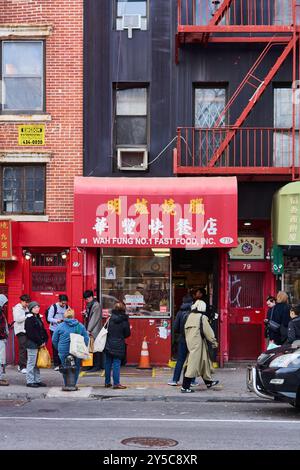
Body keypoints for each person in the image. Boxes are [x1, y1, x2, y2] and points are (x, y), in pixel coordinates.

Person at [181, 300, 219, 393]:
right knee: (193, 364)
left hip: (190, 342)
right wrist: (214, 342)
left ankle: (208, 382)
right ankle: (185, 387)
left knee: (203, 362)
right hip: (198, 343)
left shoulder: (188, 316)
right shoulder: (202, 317)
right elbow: (208, 332)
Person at [52, 308, 89, 390]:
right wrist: (83, 348)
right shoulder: (80, 326)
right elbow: (86, 339)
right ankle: (73, 384)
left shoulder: (60, 326)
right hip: (76, 350)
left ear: (65, 316)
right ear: (73, 316)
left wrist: (58, 348)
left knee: (65, 368)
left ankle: (67, 384)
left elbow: (54, 339)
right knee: (76, 368)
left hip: (63, 350)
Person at [168, 291, 198, 387]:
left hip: (182, 339)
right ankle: (192, 381)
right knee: (192, 360)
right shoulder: (194, 313)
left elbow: (175, 328)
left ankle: (174, 380)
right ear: (191, 303)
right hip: (193, 339)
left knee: (180, 360)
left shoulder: (180, 313)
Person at [104, 301, 130, 389]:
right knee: (116, 363)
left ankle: (107, 382)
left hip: (108, 343)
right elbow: (127, 334)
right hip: (119, 344)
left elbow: (105, 330)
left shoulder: (110, 318)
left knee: (108, 363)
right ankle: (116, 383)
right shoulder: (124, 320)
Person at [25, 301, 48, 388]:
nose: (37, 309)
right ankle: (30, 381)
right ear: (31, 309)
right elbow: (31, 334)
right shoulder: (29, 319)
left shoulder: (38, 318)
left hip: (39, 343)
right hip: (32, 344)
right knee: (31, 363)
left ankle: (37, 380)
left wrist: (45, 340)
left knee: (36, 363)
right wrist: (40, 342)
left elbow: (42, 330)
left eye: (38, 307)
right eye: (35, 308)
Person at [48, 294, 70, 370]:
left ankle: (62, 363)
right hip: (54, 329)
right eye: (62, 303)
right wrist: (57, 320)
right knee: (55, 346)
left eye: (65, 303)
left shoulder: (67, 307)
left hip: (63, 330)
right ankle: (56, 364)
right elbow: (49, 318)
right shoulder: (53, 307)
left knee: (63, 346)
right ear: (59, 301)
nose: (64, 305)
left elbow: (70, 316)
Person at [83, 290, 102, 371]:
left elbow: (94, 319)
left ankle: (96, 366)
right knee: (91, 348)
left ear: (91, 297)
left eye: (87, 299)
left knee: (95, 348)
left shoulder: (96, 305)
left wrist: (89, 330)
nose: (86, 301)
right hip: (91, 329)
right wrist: (85, 313)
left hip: (94, 330)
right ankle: (91, 365)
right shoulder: (90, 304)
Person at [13, 294, 31, 374]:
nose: (27, 304)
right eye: (26, 302)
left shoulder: (26, 308)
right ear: (22, 301)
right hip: (20, 331)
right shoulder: (17, 308)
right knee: (23, 348)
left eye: (28, 302)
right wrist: (26, 316)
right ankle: (22, 366)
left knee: (26, 348)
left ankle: (22, 365)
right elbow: (17, 319)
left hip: (26, 330)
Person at [0, 294, 9, 386]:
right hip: (0, 338)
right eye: (4, 302)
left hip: (1, 337)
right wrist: (4, 334)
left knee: (1, 359)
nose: (5, 305)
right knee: (1, 359)